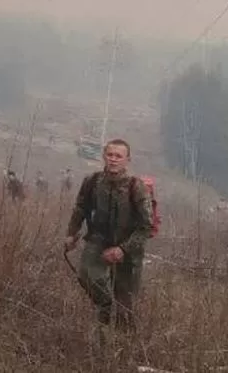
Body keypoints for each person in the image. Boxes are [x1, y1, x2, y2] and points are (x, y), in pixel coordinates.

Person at [64, 138, 152, 331]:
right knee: (86, 275)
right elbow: (80, 208)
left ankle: (123, 348)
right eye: (110, 155)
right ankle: (104, 309)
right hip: (98, 241)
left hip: (129, 249)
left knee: (124, 306)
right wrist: (71, 234)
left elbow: (146, 227)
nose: (113, 159)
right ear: (104, 156)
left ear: (127, 159)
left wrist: (122, 249)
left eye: (118, 156)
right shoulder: (92, 182)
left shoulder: (136, 187)